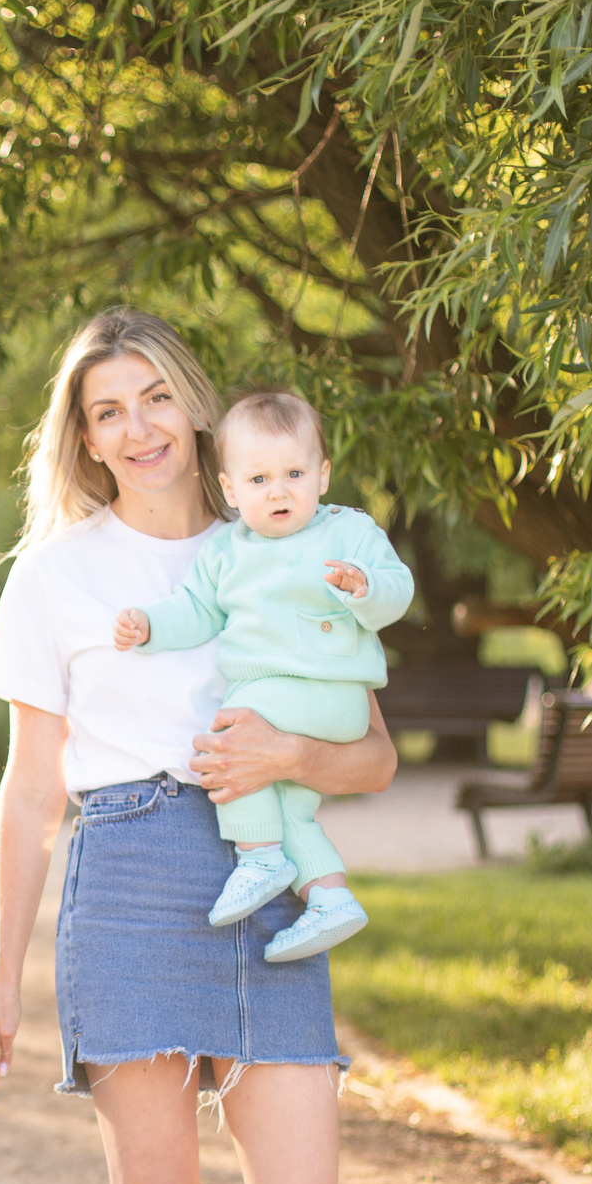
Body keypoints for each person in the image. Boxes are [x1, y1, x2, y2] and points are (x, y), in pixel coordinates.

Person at [0, 310, 397, 1184]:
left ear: (194, 408)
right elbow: (31, 784)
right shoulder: (56, 574)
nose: (138, 426)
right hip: (131, 867)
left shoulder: (284, 529)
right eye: (108, 410)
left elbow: (371, 754)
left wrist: (293, 760)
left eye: (155, 396)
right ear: (82, 439)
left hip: (263, 865)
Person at [113, 389, 412, 961]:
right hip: (295, 705)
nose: (278, 490)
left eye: (294, 473)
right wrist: (149, 624)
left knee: (233, 743)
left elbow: (398, 589)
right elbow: (195, 610)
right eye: (258, 480)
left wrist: (365, 588)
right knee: (288, 805)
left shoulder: (347, 532)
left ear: (323, 476)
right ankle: (330, 898)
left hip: (325, 693)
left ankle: (259, 860)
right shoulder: (227, 550)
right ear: (230, 489)